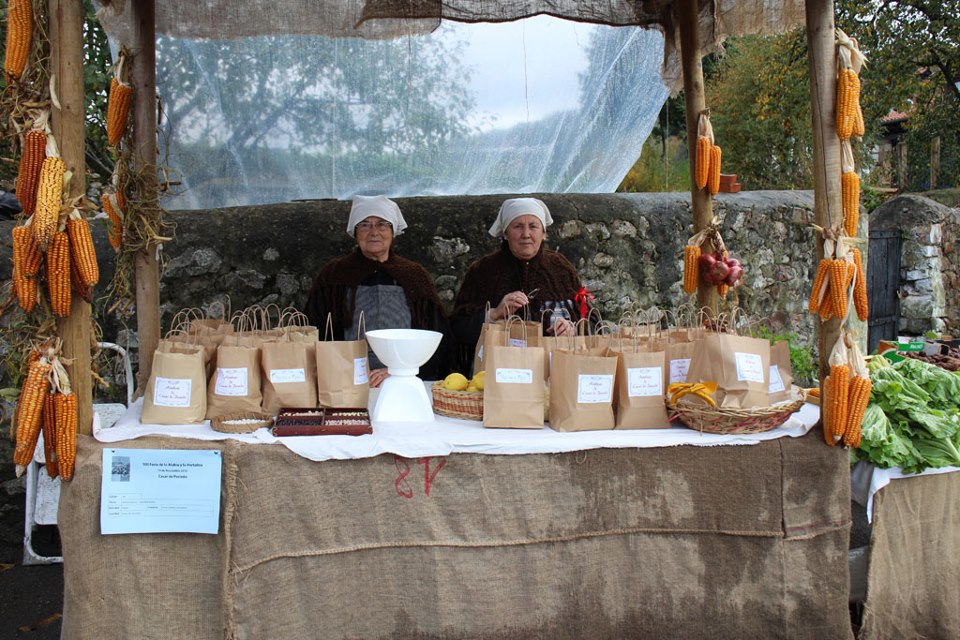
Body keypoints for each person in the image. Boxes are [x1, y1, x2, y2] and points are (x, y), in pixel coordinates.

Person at [304, 195, 452, 387]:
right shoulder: (334, 274)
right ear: (355, 232)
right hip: (346, 381)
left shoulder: (414, 275)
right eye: (365, 225)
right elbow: (314, 331)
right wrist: (346, 369)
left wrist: (401, 369)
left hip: (404, 379)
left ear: (392, 231)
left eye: (382, 225)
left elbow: (435, 335)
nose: (374, 232)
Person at [450, 197, 583, 370]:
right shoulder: (483, 271)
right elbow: (458, 328)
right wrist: (494, 314)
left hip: (555, 372)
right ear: (505, 234)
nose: (526, 234)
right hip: (499, 373)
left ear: (544, 233)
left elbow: (589, 320)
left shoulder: (561, 268)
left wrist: (572, 328)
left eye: (533, 226)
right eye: (518, 226)